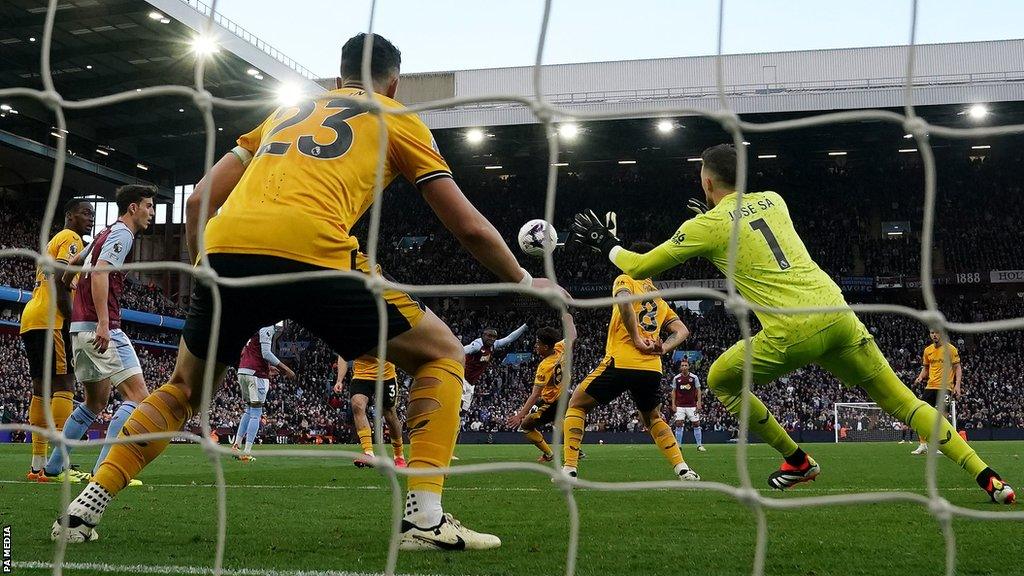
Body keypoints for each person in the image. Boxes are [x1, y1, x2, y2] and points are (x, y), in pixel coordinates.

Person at [54, 32, 562, 549]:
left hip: (227, 246)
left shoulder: (286, 113)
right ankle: (425, 519)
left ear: (338, 78)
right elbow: (468, 227)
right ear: (395, 84)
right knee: (443, 354)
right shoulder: (398, 118)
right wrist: (524, 281)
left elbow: (199, 200)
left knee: (184, 391)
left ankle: (84, 507)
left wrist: (205, 268)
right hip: (313, 246)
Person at [568, 143, 1014, 504]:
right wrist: (706, 217)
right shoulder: (775, 201)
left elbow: (640, 262)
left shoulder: (709, 226)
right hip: (838, 313)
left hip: (793, 329)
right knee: (901, 401)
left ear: (706, 181)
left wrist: (607, 245)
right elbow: (743, 230)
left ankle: (797, 460)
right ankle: (988, 477)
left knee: (721, 379)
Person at [39, 186, 155, 488]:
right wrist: (103, 322)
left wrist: (72, 291)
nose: (152, 213)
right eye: (148, 206)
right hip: (102, 327)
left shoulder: (105, 233)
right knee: (138, 397)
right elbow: (101, 272)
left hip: (80, 329)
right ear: (133, 208)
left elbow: (72, 270)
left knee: (95, 402)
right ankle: (105, 470)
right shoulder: (122, 234)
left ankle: (53, 467)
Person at [560, 242, 698, 481]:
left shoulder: (626, 278)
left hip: (622, 361)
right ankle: (683, 468)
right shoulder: (658, 298)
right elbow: (682, 330)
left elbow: (624, 302)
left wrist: (635, 338)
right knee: (653, 417)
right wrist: (663, 348)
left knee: (577, 404)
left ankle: (569, 469)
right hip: (652, 368)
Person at [22, 198, 93, 481]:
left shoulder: (54, 240)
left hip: (32, 318)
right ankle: (58, 464)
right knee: (64, 384)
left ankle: (37, 465)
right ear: (70, 216)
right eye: (85, 212)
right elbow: (63, 278)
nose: (90, 217)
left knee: (41, 389)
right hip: (53, 318)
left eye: (92, 213)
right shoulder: (70, 238)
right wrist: (71, 317)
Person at [231, 324, 295, 462]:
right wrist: (286, 369)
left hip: (243, 370)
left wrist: (267, 368)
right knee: (256, 413)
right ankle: (247, 451)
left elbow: (253, 352)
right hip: (255, 374)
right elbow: (266, 353)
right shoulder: (267, 326)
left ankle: (236, 445)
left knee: (248, 411)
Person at [335, 354, 406, 468]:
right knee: (357, 406)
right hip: (361, 375)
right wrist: (339, 380)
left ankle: (399, 456)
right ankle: (368, 453)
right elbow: (343, 354)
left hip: (386, 376)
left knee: (390, 415)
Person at [505, 326, 565, 462]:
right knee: (560, 422)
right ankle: (575, 450)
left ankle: (550, 454)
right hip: (562, 395)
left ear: (545, 347)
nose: (536, 345)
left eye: (538, 343)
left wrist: (520, 415)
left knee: (525, 426)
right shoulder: (561, 347)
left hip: (551, 401)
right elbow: (572, 336)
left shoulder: (545, 366)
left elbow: (535, 394)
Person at [910, 330, 961, 455]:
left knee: (942, 417)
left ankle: (940, 446)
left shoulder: (951, 349)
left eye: (937, 333)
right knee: (921, 414)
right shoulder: (928, 350)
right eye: (932, 332)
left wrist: (958, 385)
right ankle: (923, 445)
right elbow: (926, 368)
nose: (934, 335)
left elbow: (957, 367)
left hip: (946, 388)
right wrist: (920, 377)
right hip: (930, 387)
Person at [671, 358, 706, 452]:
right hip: (680, 405)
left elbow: (698, 390)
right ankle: (678, 445)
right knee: (679, 423)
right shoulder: (676, 378)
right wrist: (673, 404)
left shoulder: (694, 378)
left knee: (696, 423)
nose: (684, 367)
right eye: (682, 365)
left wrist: (699, 402)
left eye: (686, 365)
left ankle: (699, 445)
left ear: (689, 367)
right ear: (680, 367)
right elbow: (673, 392)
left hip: (692, 405)